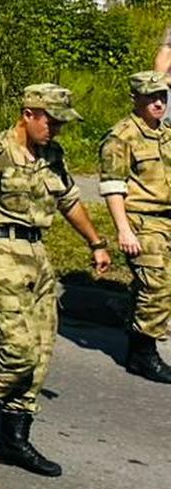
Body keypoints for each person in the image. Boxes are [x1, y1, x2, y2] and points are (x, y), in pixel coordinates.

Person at [0, 85, 112, 477]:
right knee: (19, 351)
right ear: (29, 114)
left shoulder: (52, 154)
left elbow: (68, 200)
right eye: (51, 121)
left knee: (42, 353)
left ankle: (14, 439)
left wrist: (96, 242)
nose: (56, 130)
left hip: (37, 256)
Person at [98, 71, 171, 383]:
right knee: (158, 286)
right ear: (135, 99)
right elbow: (113, 186)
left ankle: (137, 336)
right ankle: (144, 353)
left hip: (167, 219)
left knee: (154, 286)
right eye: (151, 97)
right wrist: (123, 230)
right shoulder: (122, 136)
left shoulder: (166, 133)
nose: (158, 103)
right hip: (142, 221)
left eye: (163, 97)